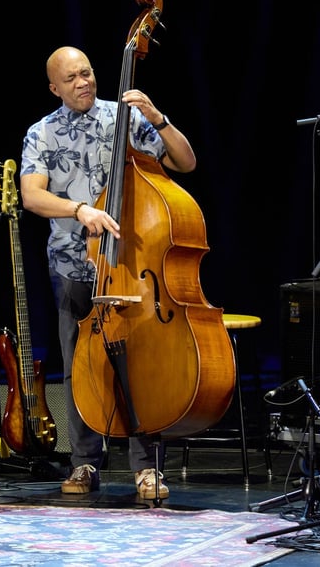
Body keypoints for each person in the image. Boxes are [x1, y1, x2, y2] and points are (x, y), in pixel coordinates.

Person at [18, 45, 197, 500]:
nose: (83, 83)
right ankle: (84, 463)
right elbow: (32, 197)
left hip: (133, 265)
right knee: (81, 367)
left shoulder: (125, 118)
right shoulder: (41, 133)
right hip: (74, 267)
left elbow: (185, 162)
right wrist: (80, 210)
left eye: (88, 73)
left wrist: (158, 118)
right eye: (72, 78)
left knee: (140, 365)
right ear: (54, 87)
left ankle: (147, 468)